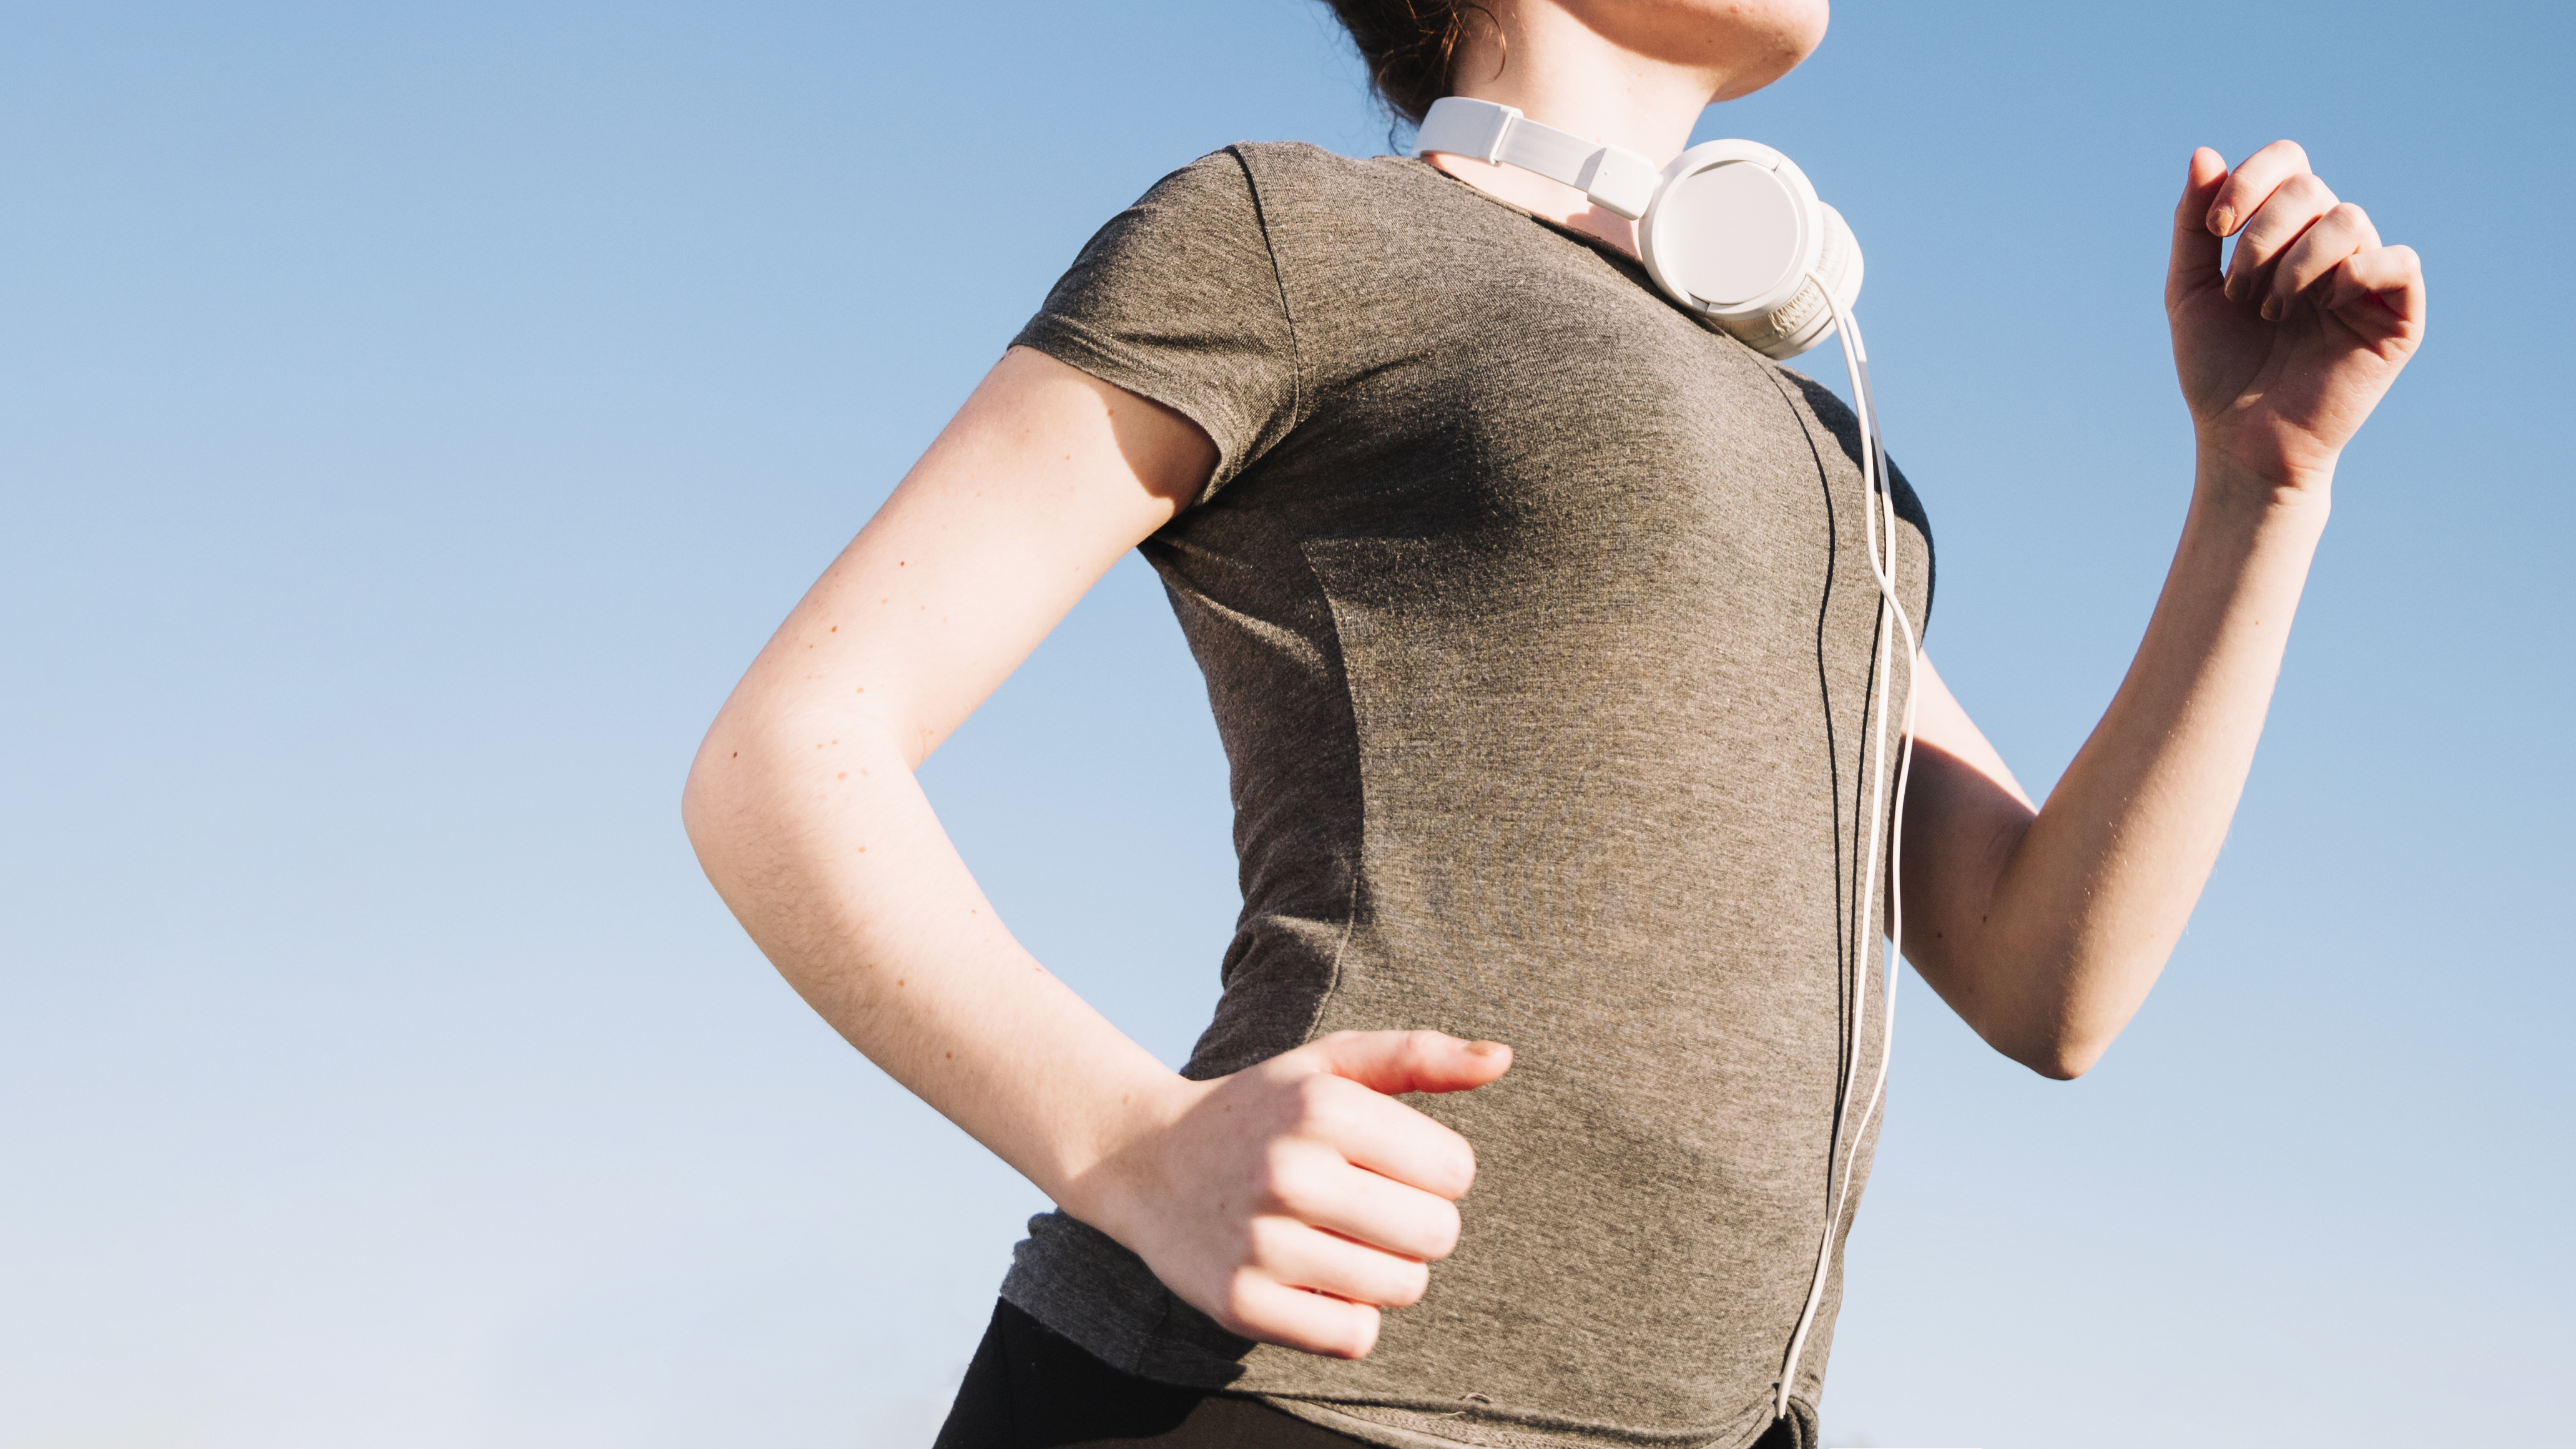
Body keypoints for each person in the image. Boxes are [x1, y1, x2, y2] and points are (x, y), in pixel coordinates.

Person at [679, 1, 2426, 1445]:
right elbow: (785, 753)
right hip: (1285, 1393)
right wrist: (1130, 1143)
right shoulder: (1291, 233)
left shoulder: (1840, 461)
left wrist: (2263, 485)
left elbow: (2051, 982)